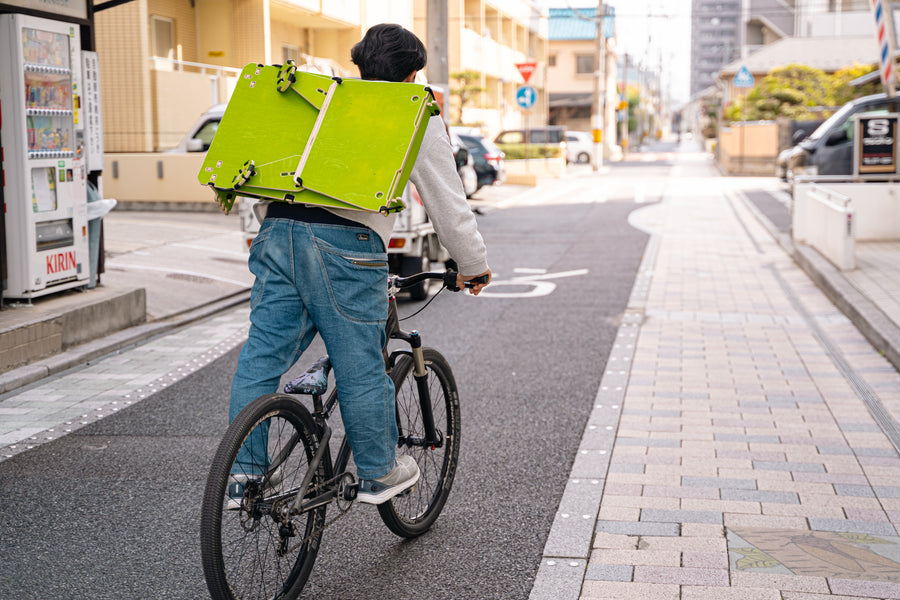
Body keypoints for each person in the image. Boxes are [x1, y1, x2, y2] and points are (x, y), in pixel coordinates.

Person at [227, 23, 491, 506]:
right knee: (360, 364)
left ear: (361, 65)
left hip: (277, 230)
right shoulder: (410, 110)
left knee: (261, 356)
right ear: (413, 75)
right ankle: (377, 470)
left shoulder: (320, 99)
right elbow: (447, 203)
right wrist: (472, 264)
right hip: (344, 247)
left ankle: (243, 475)